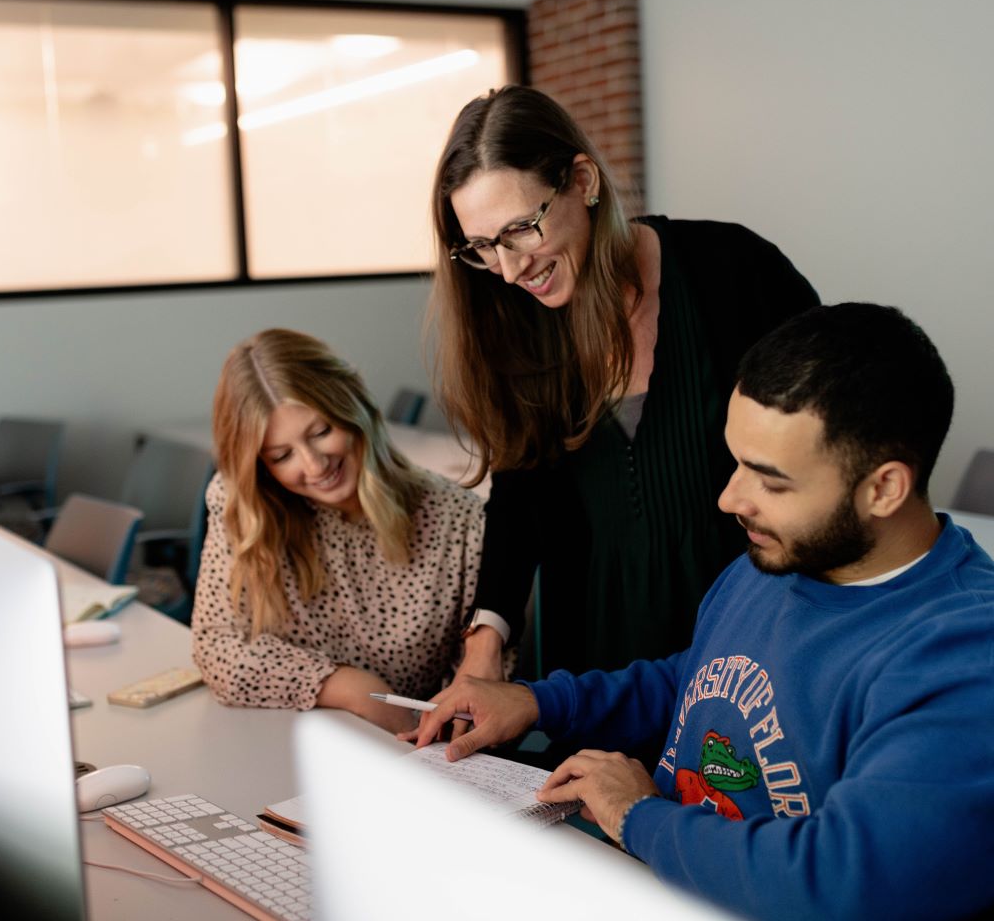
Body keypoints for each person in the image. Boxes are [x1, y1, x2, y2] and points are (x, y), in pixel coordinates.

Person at [414, 304, 994, 920]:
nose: (728, 498)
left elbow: (842, 883)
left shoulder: (963, 655)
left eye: (770, 481)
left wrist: (639, 815)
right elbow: (699, 677)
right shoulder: (777, 558)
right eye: (735, 462)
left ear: (883, 489)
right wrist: (542, 701)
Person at [429, 84, 820, 698]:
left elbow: (831, 447)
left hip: (754, 636)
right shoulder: (517, 324)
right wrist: (484, 645)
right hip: (595, 660)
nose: (507, 270)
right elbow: (520, 492)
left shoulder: (735, 270)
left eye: (520, 230)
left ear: (582, 181)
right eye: (481, 247)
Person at [191, 328, 496, 734]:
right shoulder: (245, 504)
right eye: (282, 455)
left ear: (353, 405)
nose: (315, 466)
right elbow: (216, 647)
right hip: (281, 741)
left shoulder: (458, 519)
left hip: (406, 755)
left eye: (320, 432)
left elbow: (480, 702)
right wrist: (350, 688)